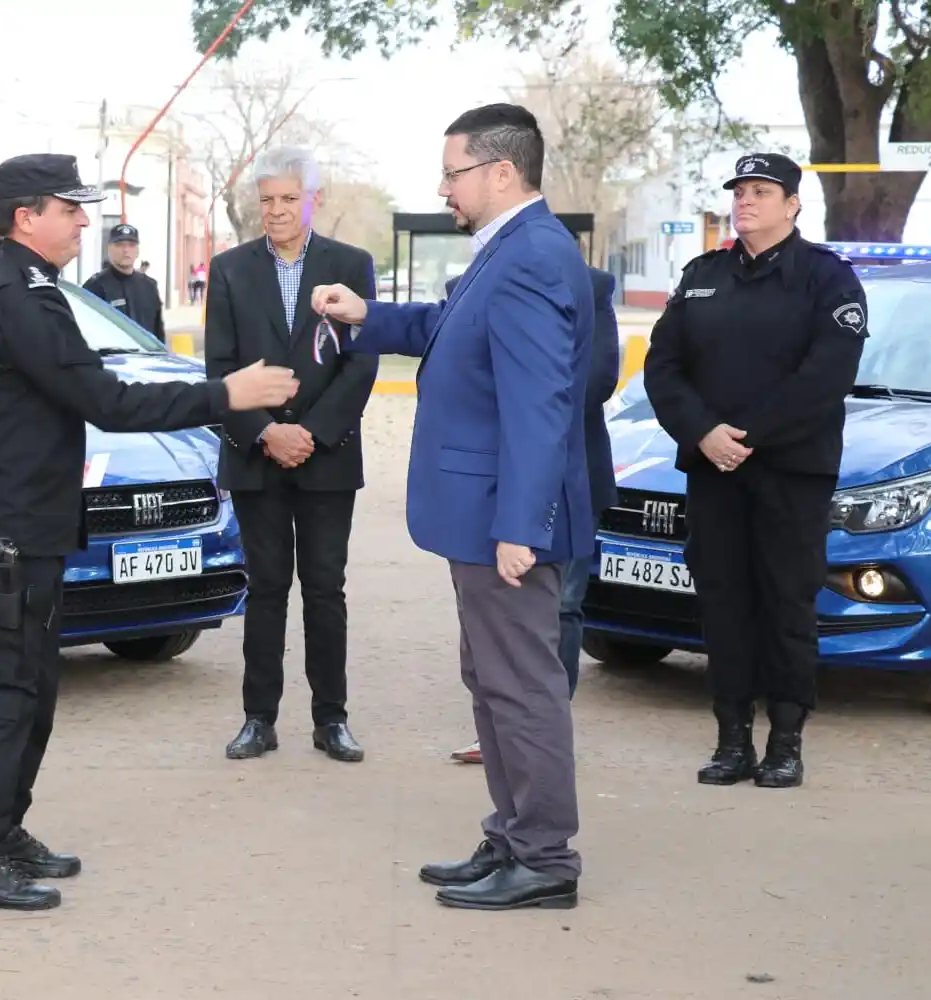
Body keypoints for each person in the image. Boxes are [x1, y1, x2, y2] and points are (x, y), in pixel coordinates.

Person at [0, 152, 300, 911]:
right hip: (9, 529)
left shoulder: (34, 287)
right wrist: (225, 394)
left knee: (34, 686)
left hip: (33, 525)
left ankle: (4, 829)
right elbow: (106, 400)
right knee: (7, 689)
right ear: (25, 218)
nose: (83, 221)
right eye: (69, 209)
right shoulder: (12, 296)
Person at [312, 103, 592, 911]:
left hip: (504, 520)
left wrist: (521, 527)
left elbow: (539, 405)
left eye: (452, 172)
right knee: (494, 679)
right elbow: (449, 328)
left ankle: (543, 858)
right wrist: (366, 316)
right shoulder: (509, 248)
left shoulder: (531, 256)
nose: (443, 189)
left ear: (502, 172)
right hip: (483, 514)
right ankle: (513, 835)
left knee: (522, 686)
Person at [642, 152, 867, 790]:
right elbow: (663, 366)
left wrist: (748, 437)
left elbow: (826, 376)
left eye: (761, 191)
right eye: (740, 191)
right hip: (715, 472)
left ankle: (786, 741)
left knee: (787, 605)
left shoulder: (827, 278)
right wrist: (703, 432)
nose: (745, 201)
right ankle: (732, 741)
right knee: (724, 605)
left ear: (793, 205)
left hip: (791, 474)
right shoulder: (703, 275)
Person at [204, 145, 379, 763]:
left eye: (288, 198)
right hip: (257, 458)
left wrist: (312, 433)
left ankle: (332, 719)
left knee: (325, 590)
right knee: (267, 588)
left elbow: (361, 362)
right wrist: (265, 433)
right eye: (267, 200)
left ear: (313, 200)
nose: (276, 210)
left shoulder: (350, 266)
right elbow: (220, 369)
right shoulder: (229, 270)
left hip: (327, 457)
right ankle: (259, 718)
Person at [452, 263, 619, 764]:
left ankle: (547, 733)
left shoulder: (591, 286)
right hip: (491, 485)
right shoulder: (470, 285)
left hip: (570, 479)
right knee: (490, 613)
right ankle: (500, 729)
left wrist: (524, 401)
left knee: (561, 608)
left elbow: (596, 381)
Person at [82, 223, 166, 341]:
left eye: (131, 245)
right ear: (109, 250)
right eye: (119, 245)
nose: (126, 250)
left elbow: (158, 332)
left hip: (146, 352)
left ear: (137, 251)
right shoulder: (95, 286)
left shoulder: (149, 286)